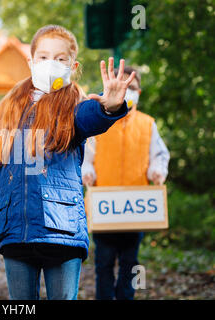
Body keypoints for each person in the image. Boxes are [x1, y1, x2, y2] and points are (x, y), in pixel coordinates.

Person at [0, 24, 137, 300]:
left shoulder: (75, 107)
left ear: (73, 65)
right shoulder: (6, 111)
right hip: (14, 232)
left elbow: (92, 117)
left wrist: (110, 106)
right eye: (43, 57)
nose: (50, 64)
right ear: (31, 62)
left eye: (60, 59)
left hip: (62, 232)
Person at [82, 66, 170, 300]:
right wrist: (87, 171)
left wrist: (157, 171)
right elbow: (86, 157)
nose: (127, 91)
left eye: (131, 87)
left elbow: (160, 156)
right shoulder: (99, 123)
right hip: (103, 208)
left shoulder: (147, 124)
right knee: (104, 262)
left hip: (135, 208)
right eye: (123, 86)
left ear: (138, 91)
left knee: (130, 262)